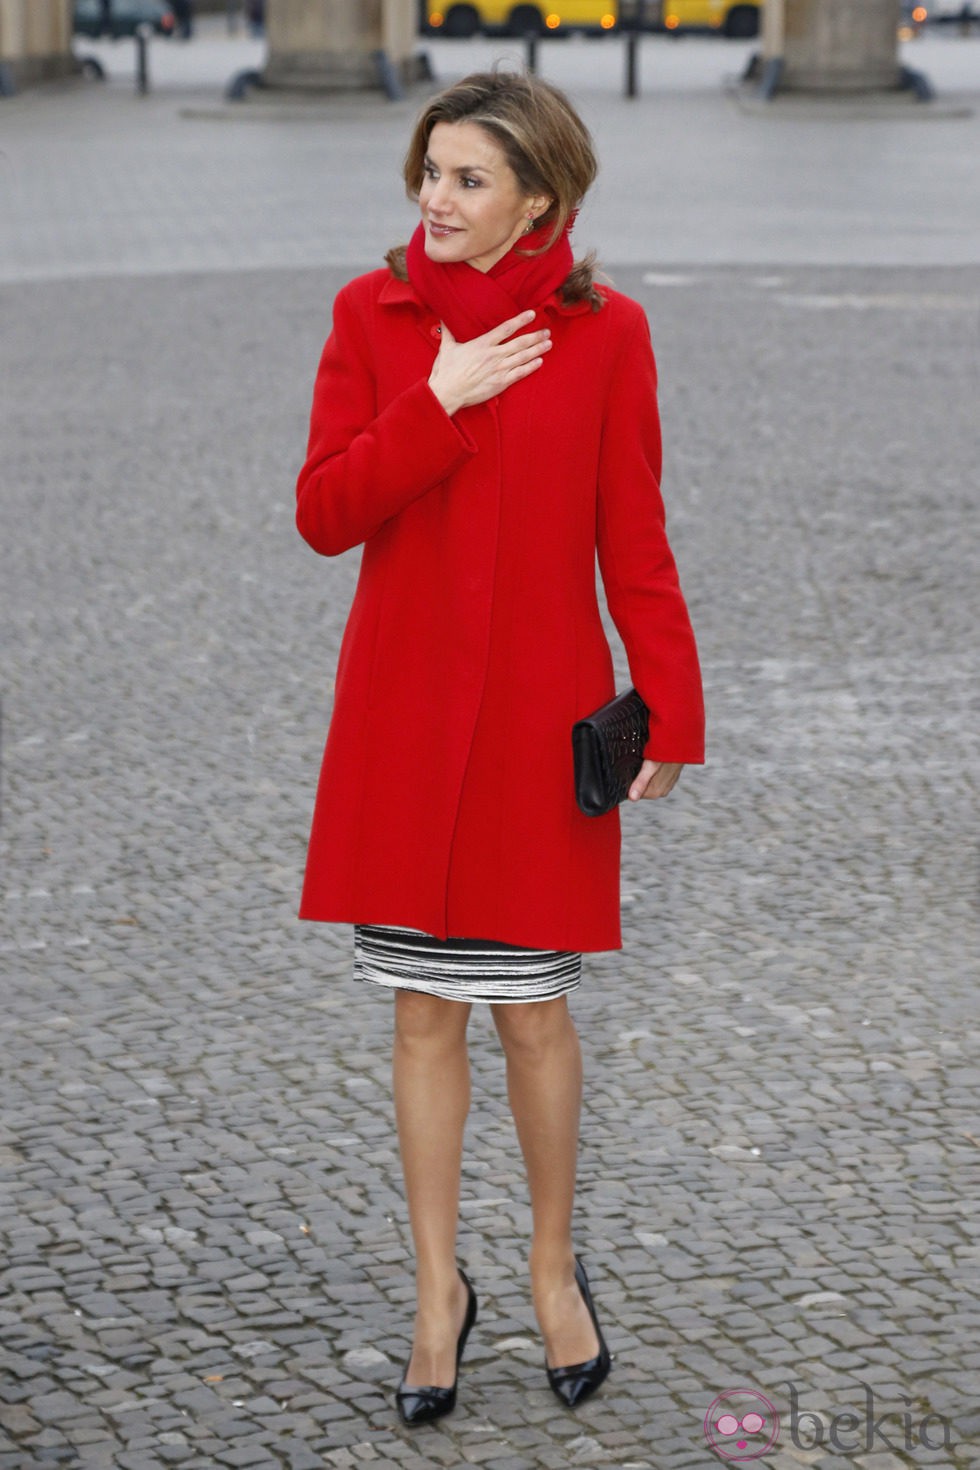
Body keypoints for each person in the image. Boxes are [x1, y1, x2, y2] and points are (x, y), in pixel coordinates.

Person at [295, 71, 705, 1426]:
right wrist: (440, 396)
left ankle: (547, 1268)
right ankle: (434, 1291)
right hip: (406, 726)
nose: (437, 197)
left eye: (470, 178)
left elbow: (633, 537)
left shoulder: (609, 335)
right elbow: (325, 512)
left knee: (534, 1011)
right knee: (422, 1012)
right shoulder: (374, 315)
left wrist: (674, 704)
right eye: (429, 170)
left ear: (544, 197)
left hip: (539, 728)